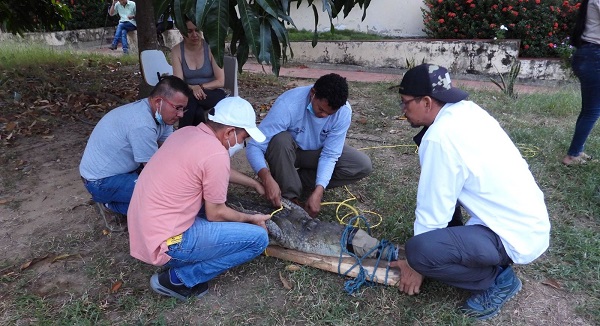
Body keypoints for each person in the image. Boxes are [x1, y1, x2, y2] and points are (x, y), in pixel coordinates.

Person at [389, 64, 551, 320]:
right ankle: (478, 255)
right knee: (430, 245)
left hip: (511, 233)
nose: (403, 110)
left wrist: (416, 264)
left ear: (428, 102)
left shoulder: (440, 138)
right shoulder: (467, 112)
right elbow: (449, 194)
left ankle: (498, 279)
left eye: (406, 103)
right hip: (525, 221)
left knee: (420, 251)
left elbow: (433, 213)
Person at [127, 96, 271, 301]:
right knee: (258, 239)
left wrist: (254, 183)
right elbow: (216, 213)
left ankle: (182, 261)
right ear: (230, 132)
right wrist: (251, 218)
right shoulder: (215, 155)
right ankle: (179, 279)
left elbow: (214, 169)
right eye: (243, 138)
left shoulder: (187, 133)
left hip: (146, 230)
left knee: (214, 208)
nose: (241, 143)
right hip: (169, 241)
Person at [245, 73, 373, 217]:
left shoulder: (343, 112)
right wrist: (266, 178)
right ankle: (290, 197)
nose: (324, 116)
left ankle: (296, 182)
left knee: (361, 164)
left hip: (315, 153)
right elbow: (255, 146)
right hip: (287, 152)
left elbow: (330, 155)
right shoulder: (288, 104)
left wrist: (319, 190)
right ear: (313, 93)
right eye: (321, 109)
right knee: (280, 139)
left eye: (329, 114)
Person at [80, 76, 192, 217]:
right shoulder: (142, 125)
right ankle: (110, 203)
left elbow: (170, 150)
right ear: (158, 101)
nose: (181, 115)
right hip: (101, 181)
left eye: (183, 109)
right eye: (178, 108)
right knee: (165, 203)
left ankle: (123, 199)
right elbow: (156, 170)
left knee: (176, 194)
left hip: (124, 170)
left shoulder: (161, 115)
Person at [562, 0, 600, 165]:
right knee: (592, 111)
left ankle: (576, 150)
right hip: (594, 56)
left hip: (590, 55)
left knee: (589, 110)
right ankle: (572, 156)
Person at [171, 18, 227, 127]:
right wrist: (193, 88)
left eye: (197, 30)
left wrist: (199, 87)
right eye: (189, 31)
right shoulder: (177, 50)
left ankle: (182, 134)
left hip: (213, 93)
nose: (194, 34)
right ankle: (199, 137)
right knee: (197, 112)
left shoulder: (211, 48)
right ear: (182, 32)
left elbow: (220, 81)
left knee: (190, 100)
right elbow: (178, 82)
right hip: (189, 93)